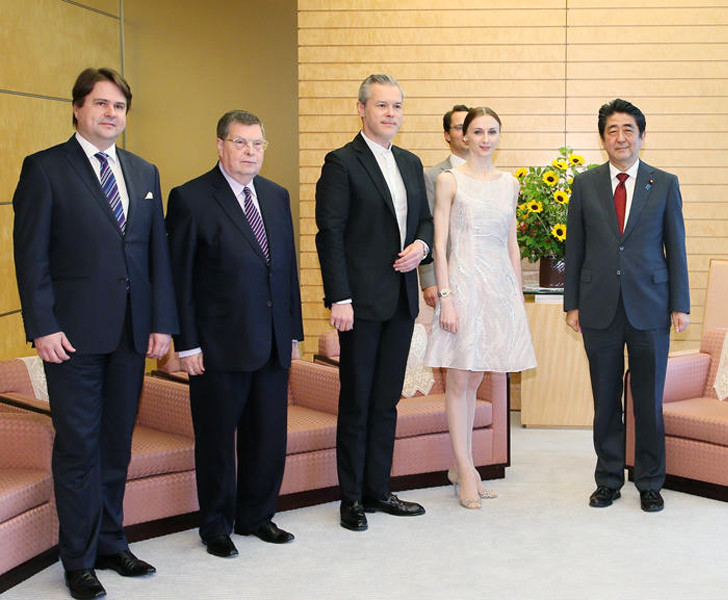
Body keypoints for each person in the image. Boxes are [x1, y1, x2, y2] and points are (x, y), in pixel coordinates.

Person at [12, 67, 178, 600]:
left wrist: (162, 323)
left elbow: (156, 256)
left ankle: (111, 543)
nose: (111, 113)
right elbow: (31, 256)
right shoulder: (45, 168)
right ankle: (78, 560)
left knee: (115, 444)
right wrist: (42, 325)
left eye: (119, 106)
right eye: (101, 103)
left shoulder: (144, 171)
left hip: (131, 335)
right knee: (79, 447)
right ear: (78, 108)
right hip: (72, 338)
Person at [165, 110, 303, 558]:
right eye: (240, 142)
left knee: (269, 437)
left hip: (272, 343)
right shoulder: (190, 198)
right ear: (220, 145)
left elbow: (286, 271)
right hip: (216, 347)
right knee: (217, 442)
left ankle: (257, 516)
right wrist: (186, 343)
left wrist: (293, 333)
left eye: (257, 144)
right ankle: (216, 526)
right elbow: (180, 278)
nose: (250, 152)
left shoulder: (276, 196)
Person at [315, 74, 433, 531]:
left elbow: (424, 220)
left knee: (386, 403)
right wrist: (339, 297)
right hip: (359, 304)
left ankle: (378, 490)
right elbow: (330, 234)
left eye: (397, 106)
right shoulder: (341, 162)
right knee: (357, 403)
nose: (390, 113)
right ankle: (351, 499)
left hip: (401, 302)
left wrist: (422, 246)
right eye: (382, 105)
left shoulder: (410, 162)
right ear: (361, 109)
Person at [564, 98, 690, 513]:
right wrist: (572, 303)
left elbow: (676, 246)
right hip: (598, 304)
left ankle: (650, 482)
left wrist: (680, 303)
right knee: (605, 398)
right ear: (603, 139)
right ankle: (608, 480)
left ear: (642, 136)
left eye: (628, 130)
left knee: (648, 400)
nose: (620, 137)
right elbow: (575, 247)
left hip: (650, 305)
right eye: (612, 130)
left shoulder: (664, 183)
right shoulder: (585, 184)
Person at [424, 106, 536, 509]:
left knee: (475, 380)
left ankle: (462, 467)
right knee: (459, 379)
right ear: (464, 137)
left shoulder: (509, 183)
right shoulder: (449, 180)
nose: (485, 139)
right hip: (463, 285)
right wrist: (446, 298)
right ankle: (466, 469)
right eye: (477, 131)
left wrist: (515, 298)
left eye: (492, 131)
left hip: (497, 290)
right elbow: (439, 245)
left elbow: (511, 244)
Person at [419, 104, 470, 307]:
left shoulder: (491, 177)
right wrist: (429, 281)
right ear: (447, 135)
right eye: (459, 128)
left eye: (471, 127)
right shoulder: (433, 176)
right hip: (447, 275)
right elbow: (426, 228)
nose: (466, 133)